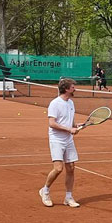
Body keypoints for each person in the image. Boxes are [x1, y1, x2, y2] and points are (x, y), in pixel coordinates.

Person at [39, 78, 82, 208]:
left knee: (71, 168)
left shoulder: (71, 103)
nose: (75, 89)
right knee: (58, 168)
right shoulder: (55, 103)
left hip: (68, 140)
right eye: (73, 87)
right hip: (57, 139)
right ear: (67, 89)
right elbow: (52, 123)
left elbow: (70, 121)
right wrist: (69, 129)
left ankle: (68, 197)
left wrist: (76, 125)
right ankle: (45, 191)